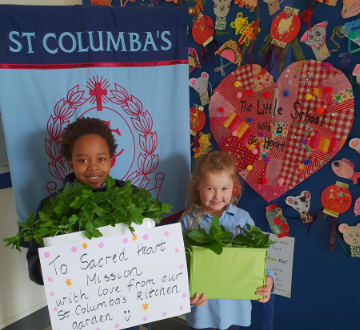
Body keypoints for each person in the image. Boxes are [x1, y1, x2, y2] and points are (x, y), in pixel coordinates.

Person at [26, 117, 140, 330]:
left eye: (101, 159)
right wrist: (46, 266)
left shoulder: (131, 196)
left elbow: (156, 251)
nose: (93, 168)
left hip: (125, 307)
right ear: (71, 164)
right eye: (83, 160)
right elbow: (34, 259)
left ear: (111, 161)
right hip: (80, 311)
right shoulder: (51, 205)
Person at [180, 151, 275, 330]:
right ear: (197, 185)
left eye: (224, 188)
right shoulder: (188, 220)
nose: (217, 196)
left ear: (234, 187)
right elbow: (178, 266)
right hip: (202, 310)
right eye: (210, 188)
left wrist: (269, 278)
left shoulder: (243, 218)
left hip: (235, 309)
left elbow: (257, 257)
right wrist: (185, 295)